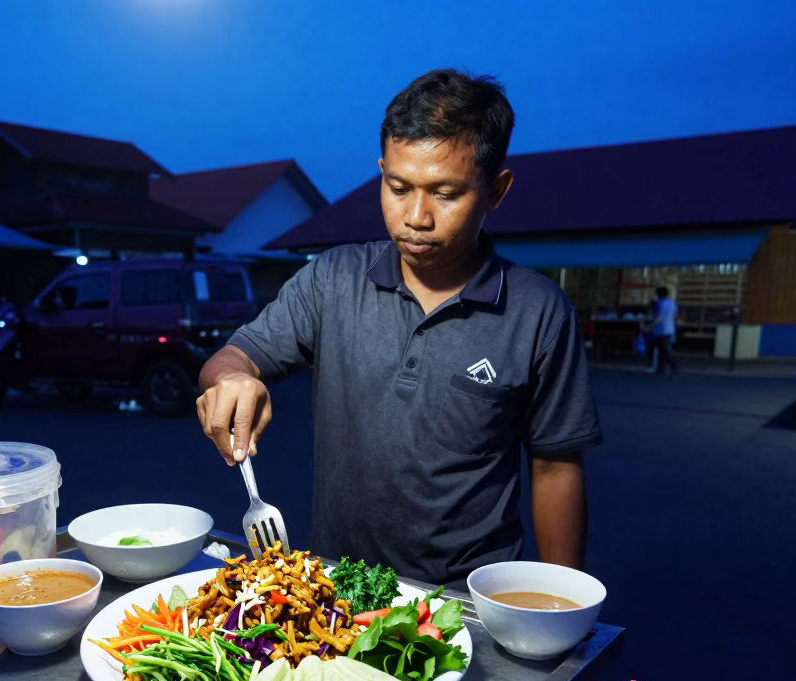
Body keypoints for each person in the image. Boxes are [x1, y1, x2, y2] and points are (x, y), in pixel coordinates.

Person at [195, 69, 602, 586]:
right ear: (382, 171)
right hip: (339, 584)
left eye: (446, 193)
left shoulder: (540, 312)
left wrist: (563, 601)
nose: (416, 217)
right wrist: (229, 379)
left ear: (496, 191)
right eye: (398, 187)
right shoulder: (332, 278)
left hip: (469, 596)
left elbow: (555, 467)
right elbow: (234, 357)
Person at [642, 287, 677, 376]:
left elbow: (658, 318)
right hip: (669, 328)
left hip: (660, 329)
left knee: (655, 348)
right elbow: (674, 315)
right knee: (662, 350)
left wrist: (649, 327)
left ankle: (671, 366)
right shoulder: (672, 303)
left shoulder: (660, 304)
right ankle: (661, 368)